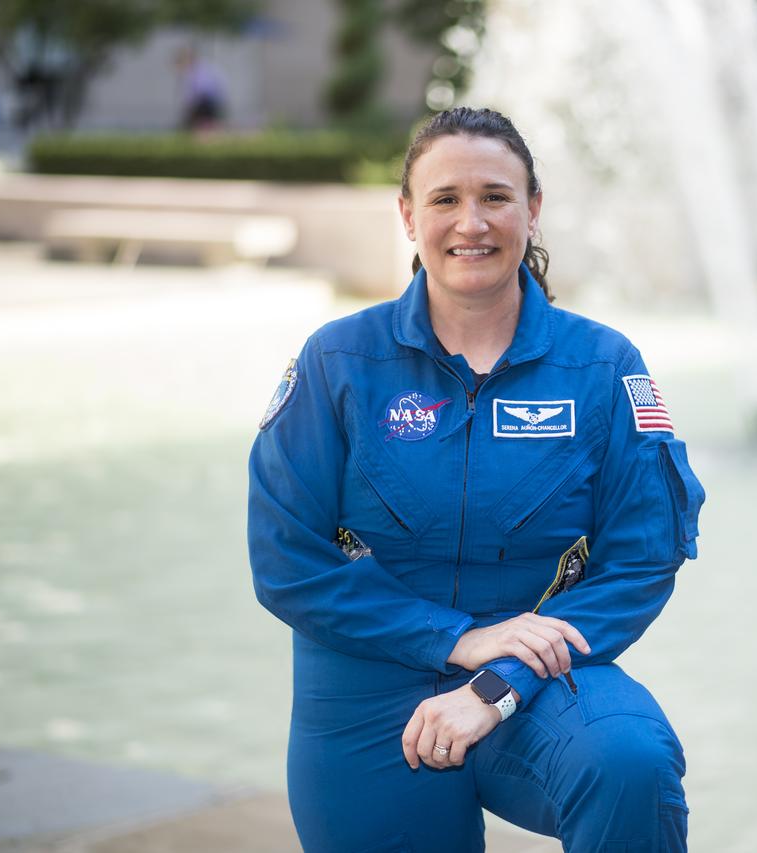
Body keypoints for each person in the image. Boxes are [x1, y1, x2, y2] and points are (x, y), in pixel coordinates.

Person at [248, 107, 705, 852]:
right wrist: (456, 639)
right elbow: (286, 561)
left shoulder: (604, 366)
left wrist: (500, 681)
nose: (472, 222)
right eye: (445, 199)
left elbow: (642, 558)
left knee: (630, 764)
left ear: (533, 209)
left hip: (540, 675)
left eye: (495, 196)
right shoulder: (338, 362)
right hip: (367, 689)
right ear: (408, 216)